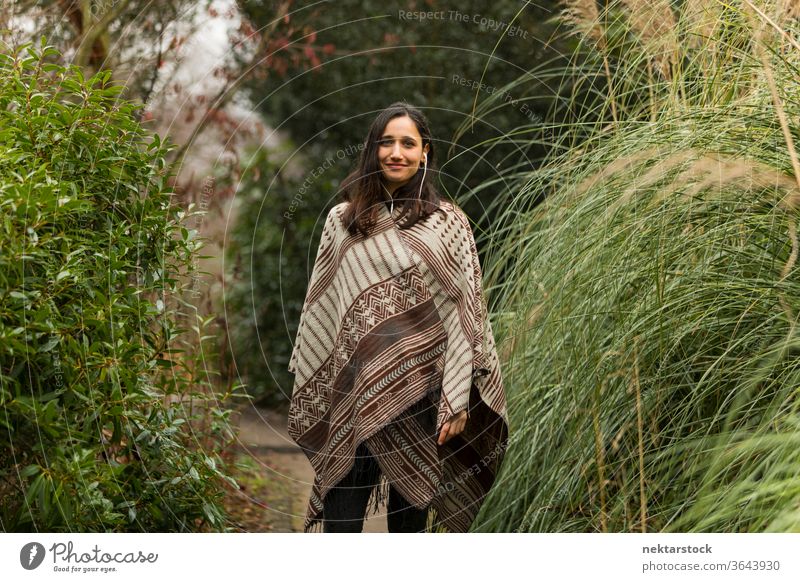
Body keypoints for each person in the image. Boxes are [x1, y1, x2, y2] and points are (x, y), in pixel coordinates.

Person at [287, 102, 509, 533]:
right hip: (352, 396)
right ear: (373, 149)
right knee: (342, 527)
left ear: (425, 151)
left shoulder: (449, 223)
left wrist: (457, 398)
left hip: (422, 401)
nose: (396, 152)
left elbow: (467, 313)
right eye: (386, 142)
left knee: (407, 533)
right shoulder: (343, 220)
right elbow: (321, 307)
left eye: (408, 143)